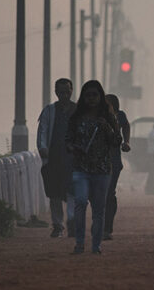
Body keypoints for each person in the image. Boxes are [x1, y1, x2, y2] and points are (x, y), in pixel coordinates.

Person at [65, 80, 121, 255]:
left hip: (102, 169)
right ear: (83, 97)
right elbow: (68, 139)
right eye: (88, 95)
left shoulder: (108, 116)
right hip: (80, 168)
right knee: (80, 202)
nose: (91, 99)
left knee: (98, 208)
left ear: (100, 96)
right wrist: (72, 148)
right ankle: (80, 243)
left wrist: (107, 129)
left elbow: (116, 141)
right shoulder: (76, 117)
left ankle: (96, 246)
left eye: (94, 95)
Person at [37, 77, 76, 238]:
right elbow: (43, 130)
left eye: (67, 92)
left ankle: (73, 222)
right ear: (56, 92)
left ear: (71, 91)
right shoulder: (50, 111)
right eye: (61, 92)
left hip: (74, 158)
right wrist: (43, 148)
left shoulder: (78, 110)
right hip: (54, 158)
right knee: (55, 194)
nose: (64, 95)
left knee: (73, 192)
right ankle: (58, 225)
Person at [103, 94, 132, 241]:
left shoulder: (119, 116)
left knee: (108, 194)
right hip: (96, 162)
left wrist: (126, 142)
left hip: (113, 162)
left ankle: (106, 228)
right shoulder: (95, 117)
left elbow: (126, 126)